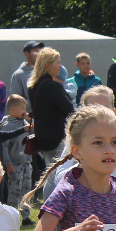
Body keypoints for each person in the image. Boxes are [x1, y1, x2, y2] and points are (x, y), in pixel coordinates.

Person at [50, 86, 116, 192]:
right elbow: (59, 177)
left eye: (105, 108)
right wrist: (83, 166)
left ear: (114, 112)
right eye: (94, 109)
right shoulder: (78, 143)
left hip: (112, 202)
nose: (100, 114)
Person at [27, 48, 75, 197]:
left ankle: (49, 203)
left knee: (50, 173)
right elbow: (69, 111)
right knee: (60, 175)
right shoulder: (53, 86)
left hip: (42, 138)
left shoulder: (33, 86)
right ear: (48, 65)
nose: (60, 66)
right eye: (58, 63)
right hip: (58, 137)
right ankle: (54, 203)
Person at [0, 95, 34, 225]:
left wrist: (28, 118)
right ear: (13, 109)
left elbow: (35, 128)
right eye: (22, 109)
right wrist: (8, 163)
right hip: (15, 164)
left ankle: (26, 216)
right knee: (15, 190)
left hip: (26, 162)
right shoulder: (8, 125)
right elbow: (4, 146)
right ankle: (11, 216)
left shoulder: (24, 122)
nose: (25, 111)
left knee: (26, 190)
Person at [9, 41, 44, 113]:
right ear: (26, 54)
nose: (38, 55)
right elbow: (16, 101)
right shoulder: (18, 75)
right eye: (35, 52)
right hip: (28, 117)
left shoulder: (46, 72)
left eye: (40, 52)